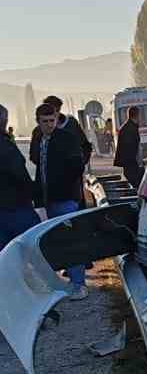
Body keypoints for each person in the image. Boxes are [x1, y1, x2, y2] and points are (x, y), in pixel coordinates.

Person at [32, 102, 87, 298]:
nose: (49, 125)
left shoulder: (66, 138)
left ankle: (79, 284)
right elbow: (40, 168)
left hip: (65, 198)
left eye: (52, 121)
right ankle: (66, 282)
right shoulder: (39, 138)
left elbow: (77, 166)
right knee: (57, 241)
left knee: (70, 240)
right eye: (45, 121)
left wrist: (61, 185)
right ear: (38, 122)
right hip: (49, 199)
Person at [0, 103, 41, 249]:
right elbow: (20, 176)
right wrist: (36, 193)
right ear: (5, 122)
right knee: (34, 247)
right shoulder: (6, 147)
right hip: (15, 208)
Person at [114, 105, 144, 188]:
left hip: (130, 165)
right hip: (132, 166)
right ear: (137, 115)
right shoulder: (130, 129)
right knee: (136, 187)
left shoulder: (128, 127)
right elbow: (132, 150)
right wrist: (139, 165)